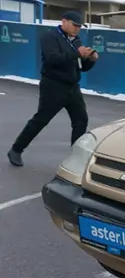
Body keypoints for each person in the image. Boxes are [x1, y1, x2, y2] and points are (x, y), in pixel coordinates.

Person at [7, 11, 99, 167]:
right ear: (64, 22)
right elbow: (52, 59)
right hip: (53, 85)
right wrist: (76, 53)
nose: (77, 29)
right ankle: (16, 149)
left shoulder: (76, 41)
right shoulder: (50, 37)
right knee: (41, 119)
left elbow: (81, 67)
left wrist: (90, 60)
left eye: (79, 26)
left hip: (72, 87)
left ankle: (75, 158)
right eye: (75, 25)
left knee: (81, 120)